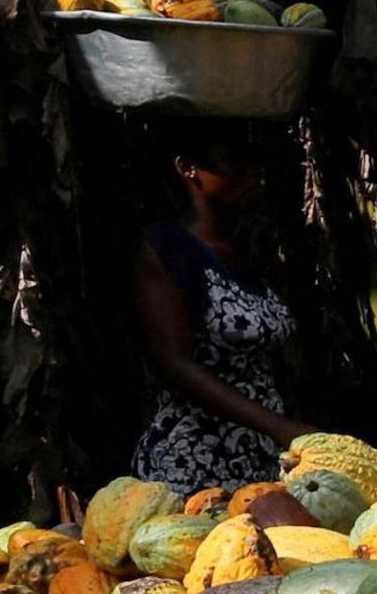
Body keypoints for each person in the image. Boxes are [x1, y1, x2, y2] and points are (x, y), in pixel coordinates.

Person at [131, 124, 311, 488]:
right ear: (187, 168)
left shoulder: (247, 248)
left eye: (254, 160)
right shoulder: (168, 248)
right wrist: (280, 427)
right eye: (235, 160)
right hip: (194, 461)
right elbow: (173, 362)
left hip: (262, 457)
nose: (253, 170)